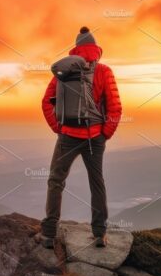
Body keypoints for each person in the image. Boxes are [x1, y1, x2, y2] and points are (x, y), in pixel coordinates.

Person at [36, 27, 122, 248]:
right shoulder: (104, 71)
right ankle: (99, 234)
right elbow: (115, 107)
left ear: (76, 50)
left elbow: (46, 101)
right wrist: (105, 133)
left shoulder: (64, 73)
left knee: (56, 181)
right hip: (95, 136)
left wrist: (59, 128)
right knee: (97, 182)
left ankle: (48, 234)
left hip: (68, 137)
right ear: (96, 50)